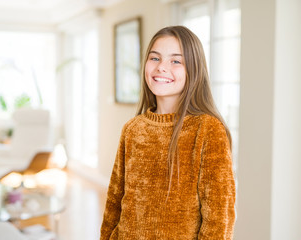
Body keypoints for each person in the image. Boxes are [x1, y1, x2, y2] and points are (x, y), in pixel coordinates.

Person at [100, 26, 236, 240]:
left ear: (194, 69)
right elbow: (114, 204)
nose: (161, 67)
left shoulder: (208, 130)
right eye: (155, 58)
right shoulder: (132, 129)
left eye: (176, 61)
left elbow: (219, 221)